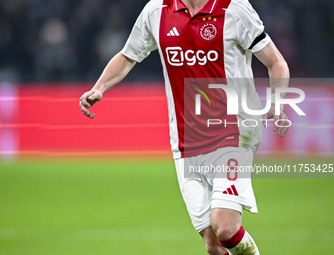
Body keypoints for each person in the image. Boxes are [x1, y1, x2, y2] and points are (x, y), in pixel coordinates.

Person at [79, 0, 290, 254]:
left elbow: (276, 62)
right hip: (185, 140)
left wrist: (277, 102)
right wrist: (99, 87)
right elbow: (128, 55)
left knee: (226, 228)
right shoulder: (157, 11)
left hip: (233, 133)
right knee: (213, 245)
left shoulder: (233, 9)